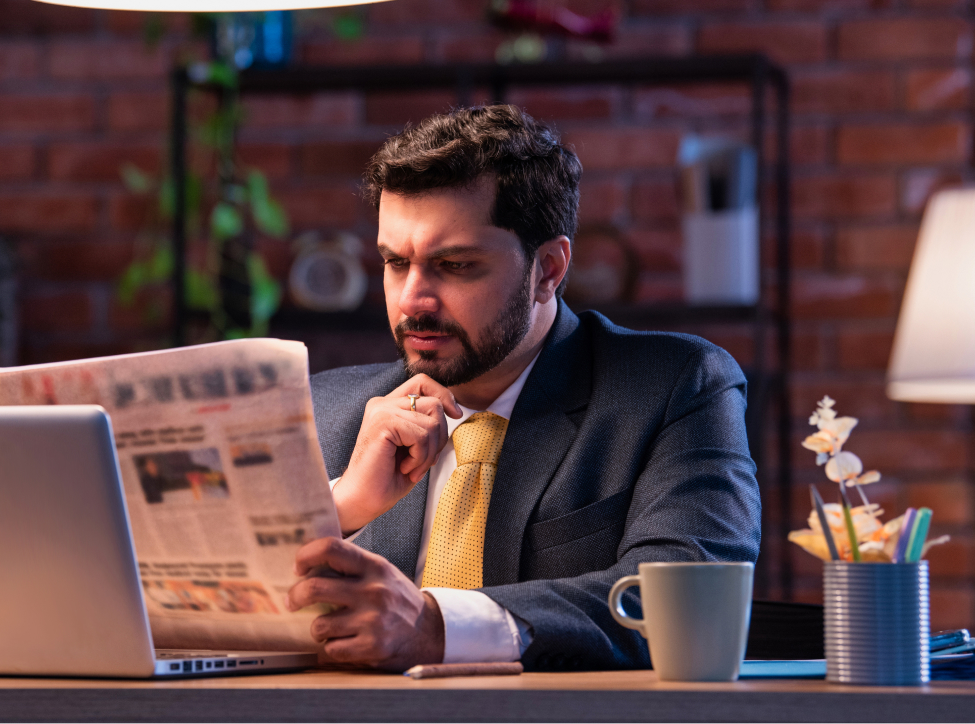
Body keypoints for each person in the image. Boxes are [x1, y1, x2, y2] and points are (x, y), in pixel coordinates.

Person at [286, 105, 761, 672]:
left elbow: (688, 599)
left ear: (549, 270)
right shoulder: (327, 408)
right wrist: (339, 510)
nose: (413, 299)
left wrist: (437, 625)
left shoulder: (673, 387)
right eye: (395, 263)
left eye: (456, 264)